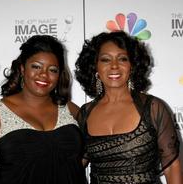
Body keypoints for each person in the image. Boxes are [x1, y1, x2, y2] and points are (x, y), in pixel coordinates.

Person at [0, 35, 86, 184]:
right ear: (22, 68)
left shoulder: (70, 109)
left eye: (52, 70)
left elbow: (88, 152)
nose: (44, 74)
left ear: (59, 75)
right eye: (36, 66)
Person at [75, 31, 182, 184]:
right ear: (95, 67)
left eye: (122, 59)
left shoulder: (152, 108)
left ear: (132, 66)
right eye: (105, 60)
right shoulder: (85, 113)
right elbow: (75, 167)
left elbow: (172, 168)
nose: (114, 66)